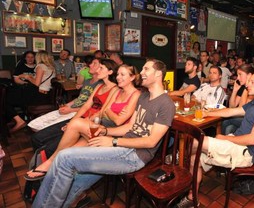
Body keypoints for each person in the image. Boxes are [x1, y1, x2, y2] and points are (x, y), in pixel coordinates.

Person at [31, 59, 175, 207]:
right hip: (122, 146)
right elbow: (129, 127)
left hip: (134, 155)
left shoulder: (166, 104)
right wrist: (105, 131)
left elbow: (151, 141)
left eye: (146, 69)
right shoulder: (144, 97)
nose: (142, 73)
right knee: (75, 178)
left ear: (158, 74)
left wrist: (113, 141)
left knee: (64, 158)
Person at [176, 73, 254, 207]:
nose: (247, 85)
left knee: (194, 142)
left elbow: (252, 140)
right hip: (236, 144)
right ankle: (191, 198)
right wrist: (208, 113)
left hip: (246, 153)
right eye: (249, 82)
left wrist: (223, 138)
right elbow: (230, 111)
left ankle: (178, 157)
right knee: (194, 160)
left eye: (252, 82)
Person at [26, 63, 140, 180]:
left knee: (75, 124)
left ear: (132, 77)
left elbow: (118, 121)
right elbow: (104, 110)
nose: (118, 77)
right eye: (118, 74)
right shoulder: (118, 91)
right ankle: (53, 174)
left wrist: (109, 112)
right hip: (100, 125)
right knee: (67, 154)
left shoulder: (136, 94)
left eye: (123, 75)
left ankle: (49, 164)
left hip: (111, 132)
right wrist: (109, 112)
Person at [29, 58, 102, 134]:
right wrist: (67, 105)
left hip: (79, 113)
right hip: (71, 108)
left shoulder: (101, 85)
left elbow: (93, 107)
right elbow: (80, 97)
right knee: (34, 125)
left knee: (43, 129)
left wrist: (70, 110)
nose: (90, 65)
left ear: (101, 68)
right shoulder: (87, 81)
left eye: (94, 63)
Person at [6, 51, 56, 133]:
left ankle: (19, 121)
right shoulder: (51, 67)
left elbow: (37, 83)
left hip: (37, 96)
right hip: (46, 95)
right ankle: (22, 119)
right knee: (12, 97)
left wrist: (27, 77)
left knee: (6, 100)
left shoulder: (40, 66)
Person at [223, 64, 254, 135]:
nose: (238, 78)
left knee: (226, 121)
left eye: (240, 75)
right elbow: (232, 106)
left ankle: (220, 141)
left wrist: (246, 87)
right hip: (241, 119)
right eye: (237, 75)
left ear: (249, 75)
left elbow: (242, 109)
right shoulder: (243, 87)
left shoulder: (253, 88)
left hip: (251, 121)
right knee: (229, 128)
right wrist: (235, 90)